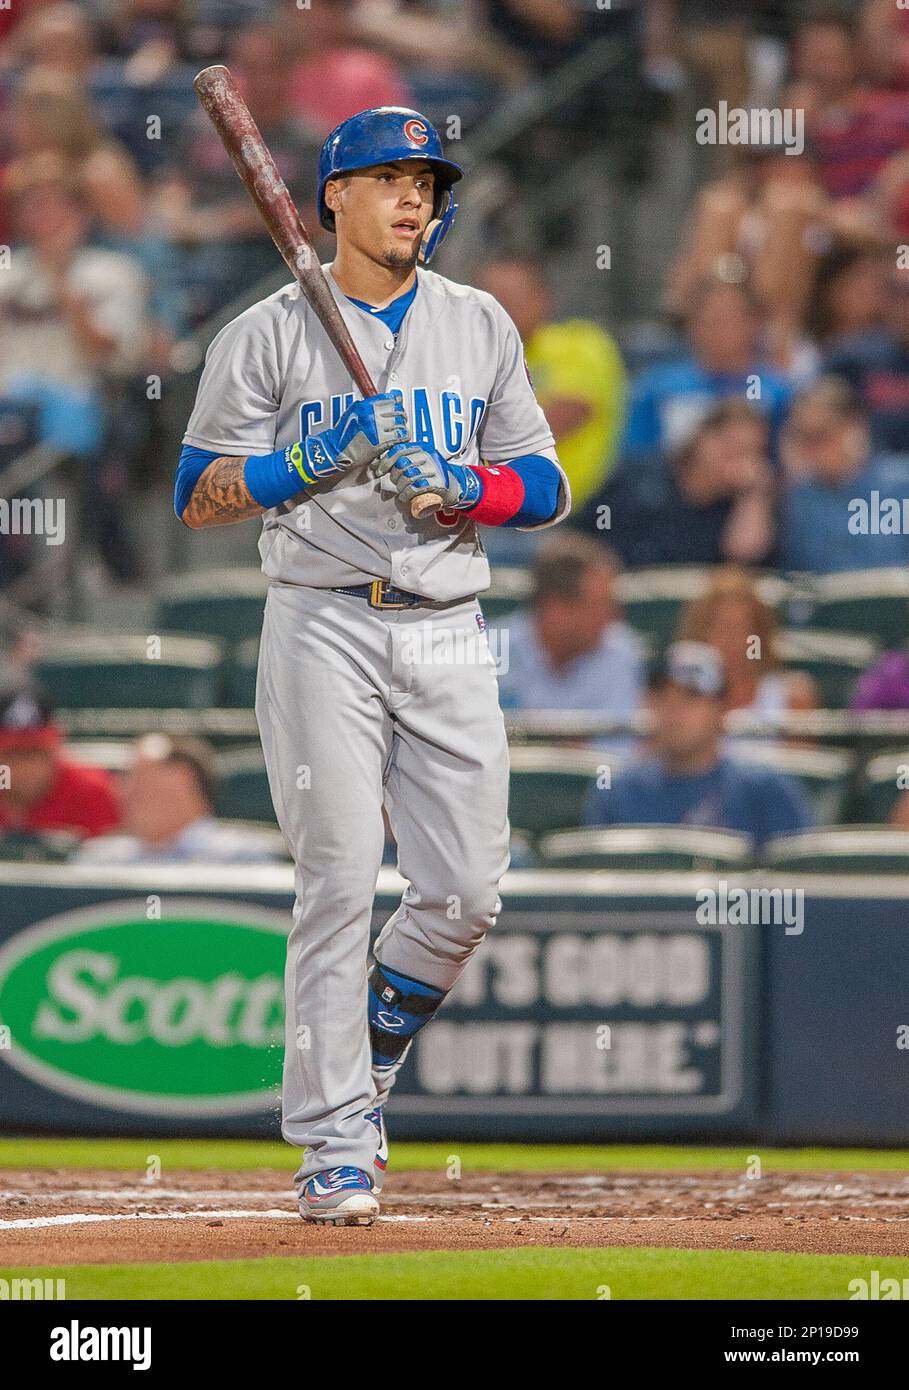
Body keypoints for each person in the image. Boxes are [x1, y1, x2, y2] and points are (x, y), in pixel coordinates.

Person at [175, 107, 569, 1225]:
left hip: (448, 619)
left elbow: (545, 487)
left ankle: (381, 1029)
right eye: (389, 179)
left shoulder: (477, 320)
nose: (414, 199)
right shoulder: (265, 334)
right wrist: (308, 456)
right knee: (339, 880)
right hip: (322, 619)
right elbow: (196, 495)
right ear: (332, 195)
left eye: (426, 184)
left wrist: (464, 482)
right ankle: (334, 1144)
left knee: (464, 893)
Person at [584, 641, 813, 848]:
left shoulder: (766, 791)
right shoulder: (617, 792)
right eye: (662, 695)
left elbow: (798, 884)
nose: (674, 709)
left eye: (691, 696)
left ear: (722, 707)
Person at [477, 255, 627, 511]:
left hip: (572, 513)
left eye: (509, 299)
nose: (498, 312)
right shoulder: (469, 358)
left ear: (541, 299)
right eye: (487, 300)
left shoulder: (581, 345)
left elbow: (543, 429)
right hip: (483, 509)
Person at [619, 274, 793, 470]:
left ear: (753, 324)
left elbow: (785, 463)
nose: (718, 331)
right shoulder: (656, 388)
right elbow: (636, 460)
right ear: (692, 326)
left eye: (728, 319)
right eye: (708, 320)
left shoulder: (778, 392)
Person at [607, 398, 777, 568]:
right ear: (703, 437)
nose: (736, 459)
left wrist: (753, 496)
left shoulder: (750, 503)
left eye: (749, 452)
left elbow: (743, 557)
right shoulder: (640, 478)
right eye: (730, 445)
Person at [497, 533, 644, 718]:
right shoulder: (490, 651)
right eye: (599, 606)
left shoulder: (619, 651)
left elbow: (615, 745)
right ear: (556, 608)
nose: (612, 618)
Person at [77, 734, 279, 864]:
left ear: (183, 777)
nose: (123, 790)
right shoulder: (100, 860)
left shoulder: (240, 858)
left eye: (138, 776)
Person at [779, 378, 909, 574]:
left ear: (856, 429)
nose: (811, 448)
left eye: (821, 435)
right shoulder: (798, 497)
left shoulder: (901, 482)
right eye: (802, 436)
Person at [677, 567, 818, 717]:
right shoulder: (677, 696)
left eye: (741, 630)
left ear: (759, 637)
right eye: (722, 630)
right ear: (701, 635)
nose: (731, 642)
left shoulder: (792, 698)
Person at [0, 682, 120, 840]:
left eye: (35, 753)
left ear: (55, 749)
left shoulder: (91, 791)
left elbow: (110, 857)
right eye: (13, 754)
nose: (25, 766)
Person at [824, 264, 909, 457]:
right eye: (898, 293)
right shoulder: (852, 357)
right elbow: (812, 414)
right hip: (865, 476)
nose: (905, 305)